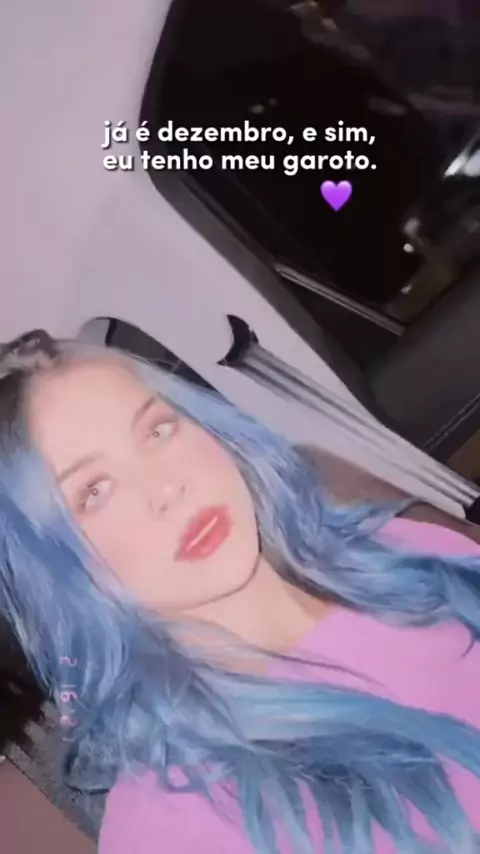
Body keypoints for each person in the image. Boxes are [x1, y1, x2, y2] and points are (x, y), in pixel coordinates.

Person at [1, 330, 480, 854]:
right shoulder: (172, 830)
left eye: (157, 429)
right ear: (57, 568)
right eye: (95, 491)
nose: (167, 487)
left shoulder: (405, 550)